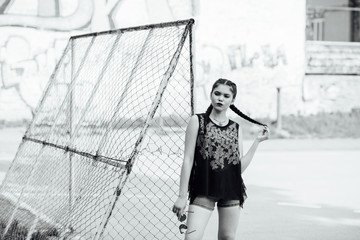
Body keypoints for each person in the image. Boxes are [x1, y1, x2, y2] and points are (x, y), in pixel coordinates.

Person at [172, 78, 270, 240]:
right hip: (204, 187)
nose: (220, 98)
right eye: (217, 94)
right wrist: (182, 196)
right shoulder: (197, 121)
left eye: (226, 96)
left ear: (232, 100)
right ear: (211, 95)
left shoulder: (235, 127)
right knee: (192, 238)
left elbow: (237, 168)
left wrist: (257, 142)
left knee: (227, 237)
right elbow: (188, 160)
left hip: (231, 189)